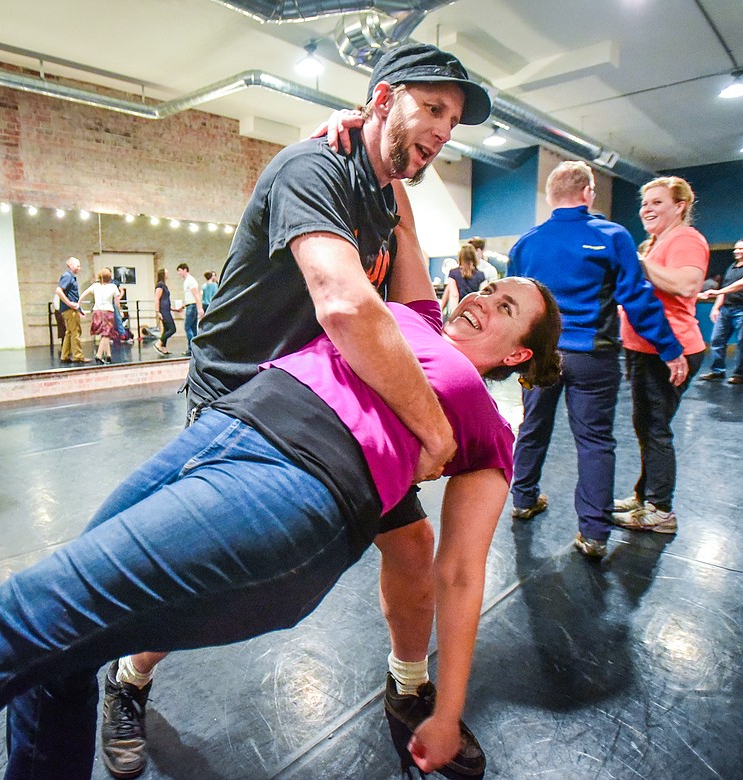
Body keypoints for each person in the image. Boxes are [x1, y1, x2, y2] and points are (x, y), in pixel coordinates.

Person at [0, 277, 561, 780]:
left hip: (294, 490)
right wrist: (378, 132)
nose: (488, 294)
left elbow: (456, 572)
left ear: (520, 353)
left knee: (13, 624)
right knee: (58, 664)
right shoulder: (404, 318)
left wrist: (446, 714)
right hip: (223, 432)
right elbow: (393, 199)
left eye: (510, 305)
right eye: (490, 282)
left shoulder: (487, 421)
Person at [81, 42, 495, 780]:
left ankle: (407, 688)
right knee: (202, 573)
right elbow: (341, 301)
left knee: (410, 547)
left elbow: (409, 311)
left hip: (328, 402)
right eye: (432, 108)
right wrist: (433, 426)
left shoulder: (383, 191)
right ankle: (128, 679)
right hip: (243, 399)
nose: (442, 130)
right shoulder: (312, 168)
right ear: (382, 100)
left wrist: (395, 189)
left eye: (454, 120)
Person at [507, 161, 687, 559]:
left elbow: (514, 307)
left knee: (533, 426)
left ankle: (523, 498)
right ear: (588, 193)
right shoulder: (612, 236)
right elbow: (637, 299)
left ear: (552, 197)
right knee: (594, 441)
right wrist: (670, 348)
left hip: (542, 357)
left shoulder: (525, 244)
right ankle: (594, 534)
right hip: (593, 356)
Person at [613, 176, 709, 534]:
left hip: (668, 350)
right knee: (646, 425)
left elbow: (686, 284)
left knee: (655, 428)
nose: (647, 209)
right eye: (644, 203)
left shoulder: (685, 239)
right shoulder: (657, 243)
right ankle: (643, 496)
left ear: (680, 206)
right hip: (644, 349)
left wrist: (636, 260)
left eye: (657, 202)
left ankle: (661, 509)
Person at [697, 239, 743, 385]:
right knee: (716, 339)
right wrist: (716, 307)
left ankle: (739, 374)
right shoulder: (732, 267)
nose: (736, 251)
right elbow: (726, 287)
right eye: (736, 249)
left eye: (740, 249)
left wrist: (718, 291)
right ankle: (717, 370)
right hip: (726, 309)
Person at [81, 268, 121, 364]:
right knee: (106, 334)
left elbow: (84, 294)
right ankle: (99, 354)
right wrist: (119, 312)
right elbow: (116, 302)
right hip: (107, 312)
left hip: (97, 312)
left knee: (105, 333)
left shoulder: (95, 286)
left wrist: (78, 304)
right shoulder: (113, 287)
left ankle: (108, 355)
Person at [439, 242, 485, 315]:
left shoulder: (453, 273)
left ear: (460, 257)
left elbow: (454, 295)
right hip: (473, 312)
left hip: (459, 310)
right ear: (473, 257)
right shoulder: (481, 275)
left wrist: (454, 315)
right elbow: (482, 295)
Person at [56, 256, 87, 364]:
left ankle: (64, 355)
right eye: (77, 266)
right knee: (75, 332)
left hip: (69, 309)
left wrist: (79, 309)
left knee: (69, 332)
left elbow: (73, 295)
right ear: (71, 265)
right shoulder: (67, 276)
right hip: (69, 310)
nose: (79, 268)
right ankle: (78, 356)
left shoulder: (70, 277)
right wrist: (69, 303)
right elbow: (59, 291)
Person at [176, 262, 203, 354]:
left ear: (185, 270)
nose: (178, 273)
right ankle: (195, 349)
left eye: (179, 271)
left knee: (187, 327)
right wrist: (183, 306)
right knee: (193, 328)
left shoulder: (190, 281)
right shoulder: (187, 281)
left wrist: (200, 308)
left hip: (192, 306)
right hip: (190, 305)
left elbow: (196, 295)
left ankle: (191, 348)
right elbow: (190, 296)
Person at [152, 267, 175, 356]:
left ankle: (163, 348)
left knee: (166, 329)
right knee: (172, 329)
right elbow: (157, 299)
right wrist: (158, 312)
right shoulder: (160, 285)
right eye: (166, 272)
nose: (168, 274)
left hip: (166, 309)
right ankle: (159, 343)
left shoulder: (164, 285)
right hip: (163, 310)